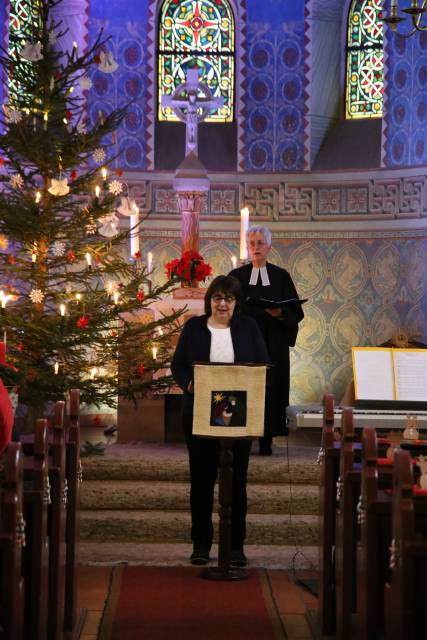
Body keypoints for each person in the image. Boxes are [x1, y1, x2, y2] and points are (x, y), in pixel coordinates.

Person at [171, 275, 269, 567]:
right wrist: (188, 385)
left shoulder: (248, 328)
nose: (222, 303)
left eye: (228, 298)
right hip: (200, 410)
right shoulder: (194, 327)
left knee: (237, 481)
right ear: (209, 300)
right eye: (217, 297)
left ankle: (235, 546)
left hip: (238, 412)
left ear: (236, 303)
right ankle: (201, 544)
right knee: (202, 480)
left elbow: (263, 362)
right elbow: (178, 364)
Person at [229, 225, 304, 455]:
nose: (256, 247)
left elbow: (297, 313)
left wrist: (279, 314)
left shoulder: (281, 277)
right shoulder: (236, 277)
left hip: (273, 344)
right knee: (242, 388)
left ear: (269, 246)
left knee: (271, 391)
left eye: (260, 243)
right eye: (252, 243)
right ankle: (238, 437)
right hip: (245, 344)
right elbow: (228, 308)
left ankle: (266, 440)